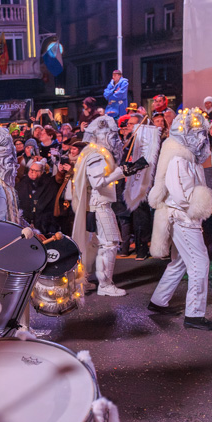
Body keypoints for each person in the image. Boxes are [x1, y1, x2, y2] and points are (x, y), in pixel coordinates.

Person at [147, 108, 212, 329]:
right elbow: (182, 195)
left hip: (184, 215)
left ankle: (159, 301)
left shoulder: (186, 156)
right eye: (195, 131)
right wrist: (211, 200)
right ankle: (194, 315)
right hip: (183, 217)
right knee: (199, 262)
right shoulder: (179, 158)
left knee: (179, 262)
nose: (200, 137)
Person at [71, 115, 146, 296]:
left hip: (96, 205)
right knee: (110, 244)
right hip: (99, 205)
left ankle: (82, 281)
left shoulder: (96, 152)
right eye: (111, 136)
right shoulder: (96, 155)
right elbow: (98, 182)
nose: (116, 139)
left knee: (93, 245)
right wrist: (121, 171)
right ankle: (104, 285)